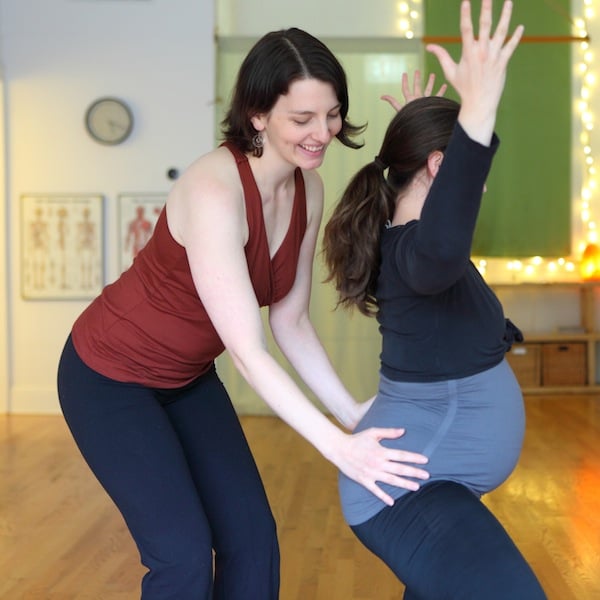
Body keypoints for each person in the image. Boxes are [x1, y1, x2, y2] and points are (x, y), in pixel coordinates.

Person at [56, 27, 432, 600]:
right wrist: (340, 449)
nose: (322, 133)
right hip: (108, 378)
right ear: (257, 114)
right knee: (182, 556)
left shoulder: (308, 189)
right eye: (302, 118)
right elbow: (249, 353)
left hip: (185, 379)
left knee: (253, 541)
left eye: (332, 114)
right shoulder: (214, 191)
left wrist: (350, 412)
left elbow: (290, 320)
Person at [322, 1, 547, 598]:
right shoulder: (419, 257)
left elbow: (444, 221)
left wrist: (422, 121)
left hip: (430, 480)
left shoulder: (408, 244)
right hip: (407, 491)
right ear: (441, 165)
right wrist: (478, 108)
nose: (482, 184)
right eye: (475, 166)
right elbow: (446, 238)